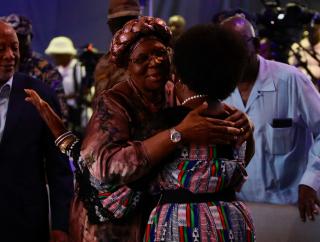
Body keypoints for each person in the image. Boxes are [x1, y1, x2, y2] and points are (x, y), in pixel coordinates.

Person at [25, 16, 246, 242]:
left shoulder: (179, 91)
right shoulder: (113, 103)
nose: (155, 62)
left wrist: (241, 125)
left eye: (161, 53)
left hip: (170, 218)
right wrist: (176, 135)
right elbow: (105, 167)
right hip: (119, 227)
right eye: (142, 58)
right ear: (128, 66)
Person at [144, 24, 255, 242]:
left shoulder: (166, 124)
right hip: (231, 222)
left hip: (180, 224)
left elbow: (139, 169)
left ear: (180, 77)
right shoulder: (238, 122)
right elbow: (242, 165)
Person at [221, 15, 320, 222]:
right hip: (239, 210)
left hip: (292, 210)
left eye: (236, 47)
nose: (229, 57)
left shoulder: (290, 80)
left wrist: (311, 181)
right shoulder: (218, 90)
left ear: (255, 45)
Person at [0, 20, 74, 242]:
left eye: (14, 47)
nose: (10, 55)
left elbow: (59, 169)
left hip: (25, 225)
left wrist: (61, 225)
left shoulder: (40, 96)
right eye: (1, 48)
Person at [2, 13, 69, 123]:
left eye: (20, 37)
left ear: (30, 37)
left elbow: (60, 113)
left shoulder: (46, 70)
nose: (16, 42)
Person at [93, 0, 140, 98]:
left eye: (128, 21)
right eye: (120, 23)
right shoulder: (104, 63)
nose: (124, 28)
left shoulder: (152, 57)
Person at [45, 36, 86, 135]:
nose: (54, 58)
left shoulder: (80, 68)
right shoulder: (55, 71)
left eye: (57, 55)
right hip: (62, 114)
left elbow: (86, 91)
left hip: (79, 115)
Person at [288, 19, 320, 90]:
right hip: (300, 86)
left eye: (316, 29)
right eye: (311, 30)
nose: (313, 33)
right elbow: (291, 67)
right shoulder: (297, 46)